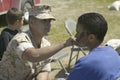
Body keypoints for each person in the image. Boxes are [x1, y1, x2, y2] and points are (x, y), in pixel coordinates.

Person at [0, 5, 73, 80]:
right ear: (31, 22)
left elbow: (44, 70)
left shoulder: (46, 44)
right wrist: (65, 44)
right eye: (44, 20)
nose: (48, 24)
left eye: (49, 21)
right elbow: (33, 55)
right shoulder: (20, 39)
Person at [67, 12, 120, 80]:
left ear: (91, 37)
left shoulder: (85, 63)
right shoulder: (113, 52)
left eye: (78, 32)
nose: (75, 36)